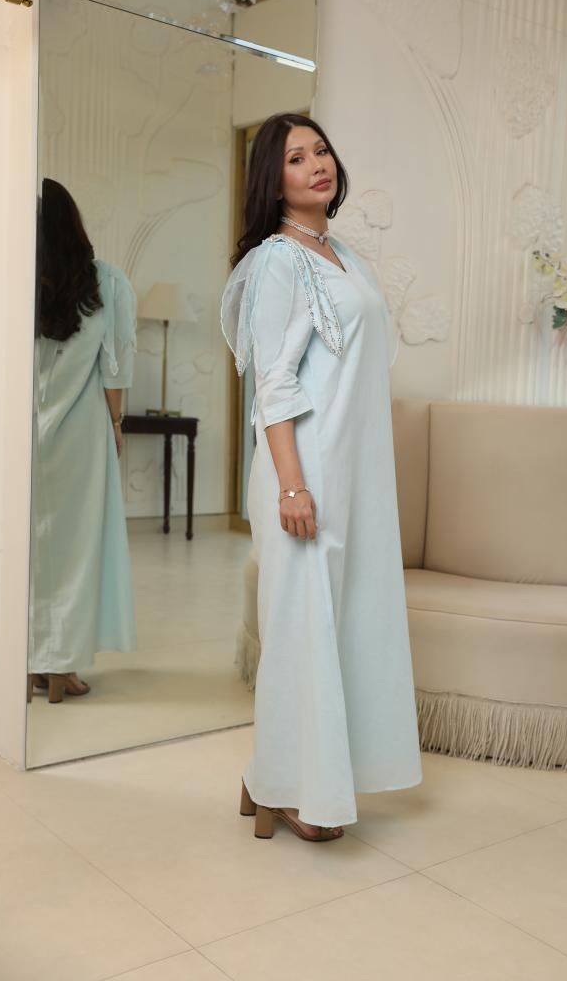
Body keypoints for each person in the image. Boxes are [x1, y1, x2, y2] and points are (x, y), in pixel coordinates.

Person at [221, 113, 422, 842]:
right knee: (301, 628)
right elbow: (272, 383)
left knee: (339, 623)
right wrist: (291, 485)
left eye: (322, 150)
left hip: (353, 470)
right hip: (304, 469)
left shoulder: (344, 256)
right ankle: (285, 787)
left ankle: (274, 778)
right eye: (296, 157)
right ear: (273, 181)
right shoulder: (277, 261)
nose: (317, 164)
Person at [27, 178, 137, 705]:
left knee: (27, 548)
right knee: (75, 552)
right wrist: (116, 425)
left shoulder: (14, 280)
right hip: (82, 435)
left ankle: (28, 658)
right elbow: (115, 368)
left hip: (20, 436)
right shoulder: (106, 283)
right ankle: (61, 667)